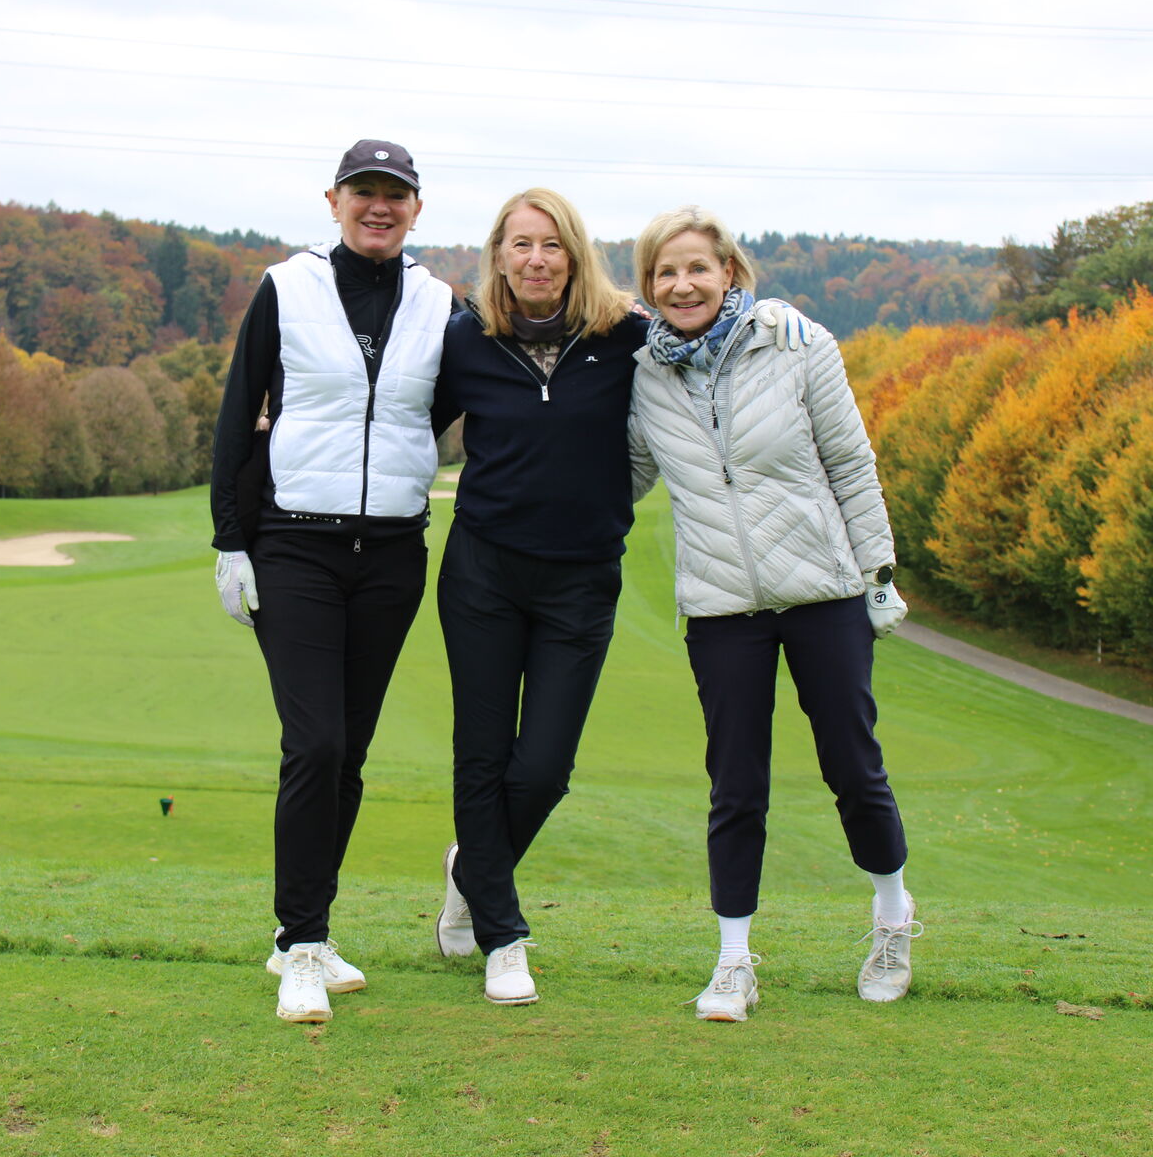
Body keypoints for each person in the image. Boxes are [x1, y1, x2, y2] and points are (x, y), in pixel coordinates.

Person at [429, 190, 808, 1006]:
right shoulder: (465, 338)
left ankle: (473, 869)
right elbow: (402, 421)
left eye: (552, 245)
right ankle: (504, 937)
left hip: (581, 580)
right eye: (521, 244)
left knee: (544, 768)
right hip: (483, 575)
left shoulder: (627, 336)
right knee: (482, 756)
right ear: (499, 256)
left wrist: (774, 319)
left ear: (575, 255)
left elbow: (710, 336)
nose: (537, 259)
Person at [625, 205, 919, 1023]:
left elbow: (851, 465)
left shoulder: (797, 344)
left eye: (697, 267)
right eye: (664, 272)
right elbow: (625, 477)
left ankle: (893, 917)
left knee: (852, 766)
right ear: (649, 286)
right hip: (722, 606)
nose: (683, 284)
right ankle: (733, 963)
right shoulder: (644, 376)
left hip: (824, 592)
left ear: (730, 272)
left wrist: (878, 573)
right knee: (736, 785)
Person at [208, 139, 455, 1024]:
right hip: (295, 547)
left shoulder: (440, 304)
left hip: (390, 554)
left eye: (396, 194)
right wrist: (229, 541)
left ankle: (299, 935)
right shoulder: (288, 287)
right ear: (334, 200)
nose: (379, 206)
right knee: (313, 745)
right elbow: (239, 411)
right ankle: (304, 944)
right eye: (363, 191)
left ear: (416, 209)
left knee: (347, 753)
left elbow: (449, 407)